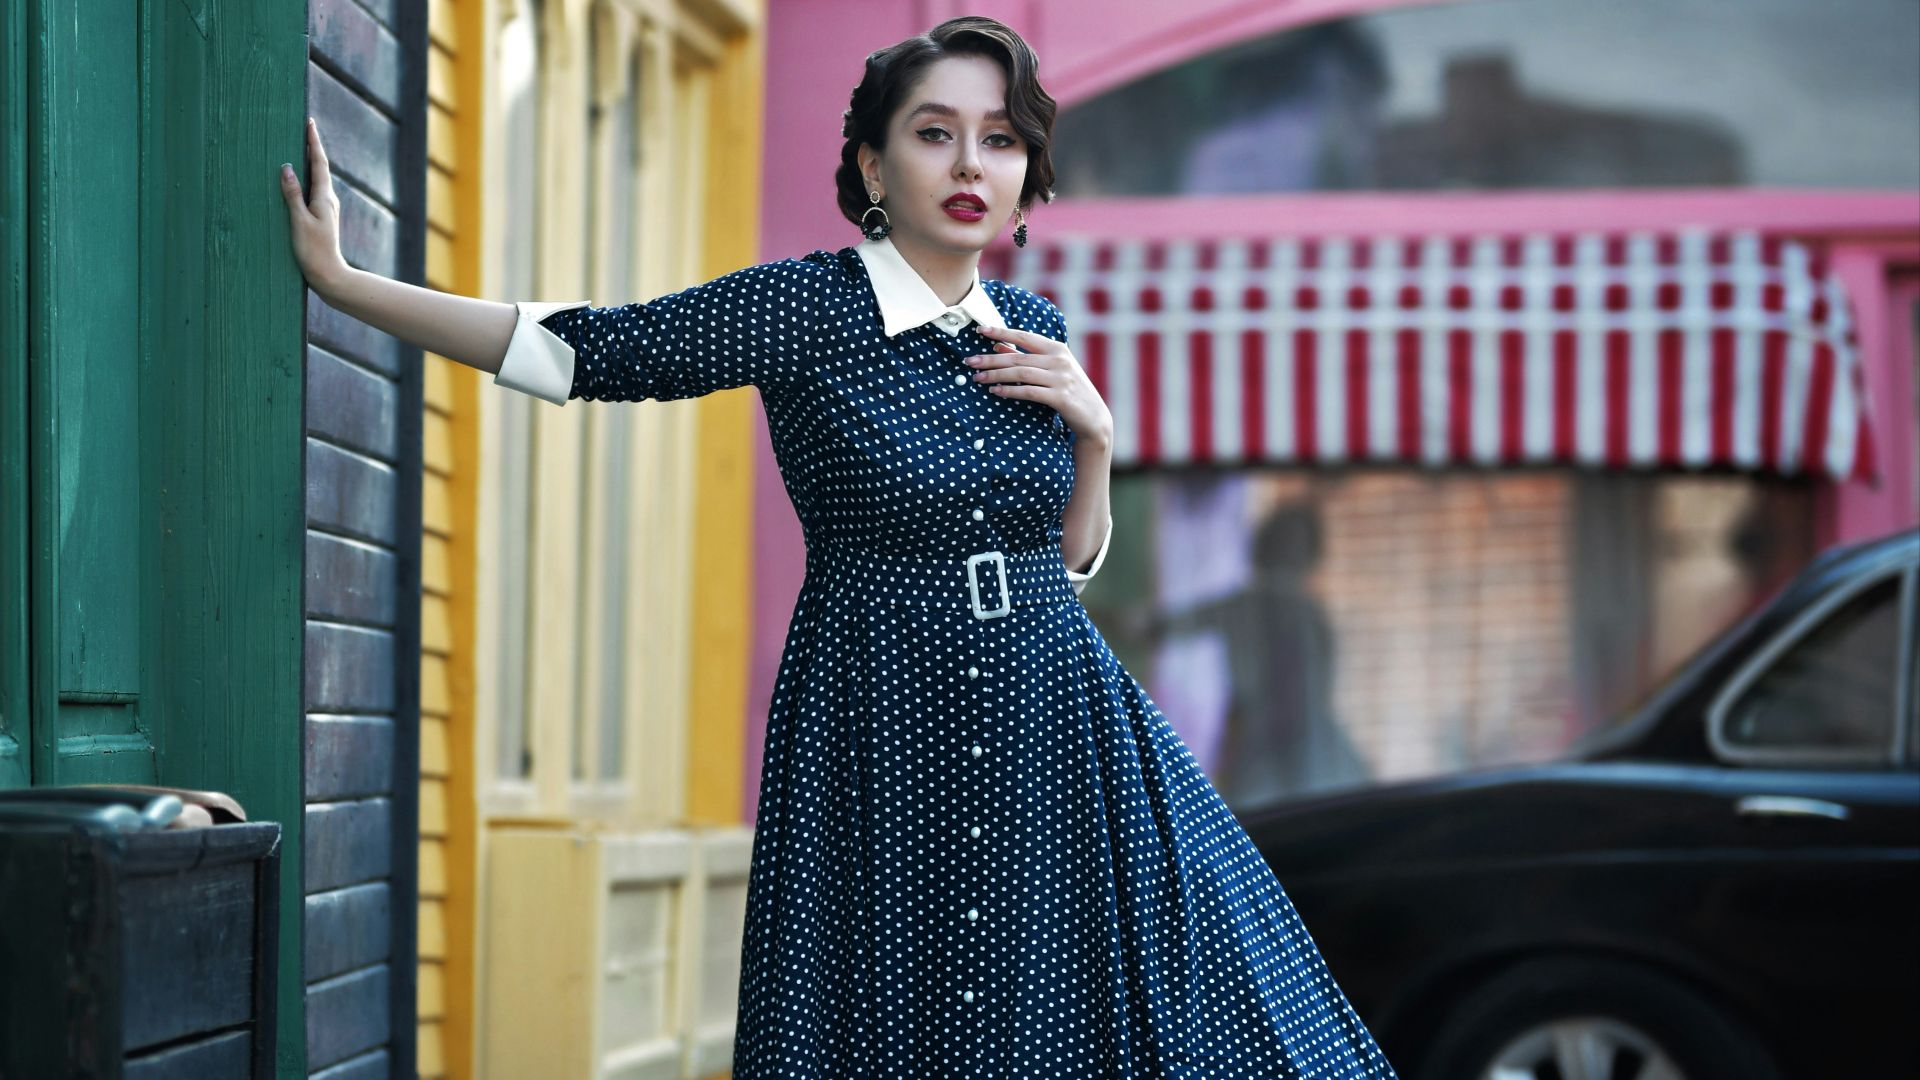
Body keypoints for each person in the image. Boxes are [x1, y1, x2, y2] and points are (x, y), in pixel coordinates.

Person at [280, 15, 1398, 1078]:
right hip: (881, 707)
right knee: (887, 1016)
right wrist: (347, 285)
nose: (971, 164)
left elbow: (1068, 559)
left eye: (1000, 140)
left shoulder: (1041, 333)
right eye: (935, 133)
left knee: (1159, 1002)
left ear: (1026, 176)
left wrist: (1095, 436)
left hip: (1055, 713)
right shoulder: (803, 310)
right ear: (871, 168)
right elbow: (583, 353)